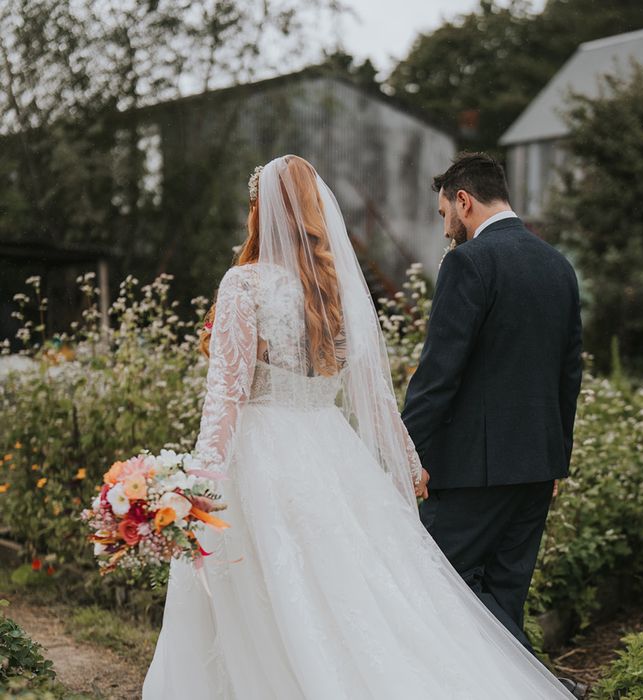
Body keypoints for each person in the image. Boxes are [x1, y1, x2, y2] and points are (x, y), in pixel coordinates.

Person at [142, 154, 573, 699]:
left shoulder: (243, 285)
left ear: (261, 212)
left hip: (264, 457)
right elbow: (376, 396)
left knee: (275, 590)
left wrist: (198, 484)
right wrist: (408, 460)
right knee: (356, 592)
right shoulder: (337, 289)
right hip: (331, 450)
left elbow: (224, 396)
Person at [402, 152, 584, 696]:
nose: (444, 227)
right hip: (537, 466)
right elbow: (568, 373)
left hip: (471, 472)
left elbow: (439, 373)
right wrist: (558, 460)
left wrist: (405, 451)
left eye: (443, 214)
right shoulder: (558, 265)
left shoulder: (470, 263)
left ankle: (546, 689)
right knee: (502, 598)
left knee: (434, 582)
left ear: (464, 200)